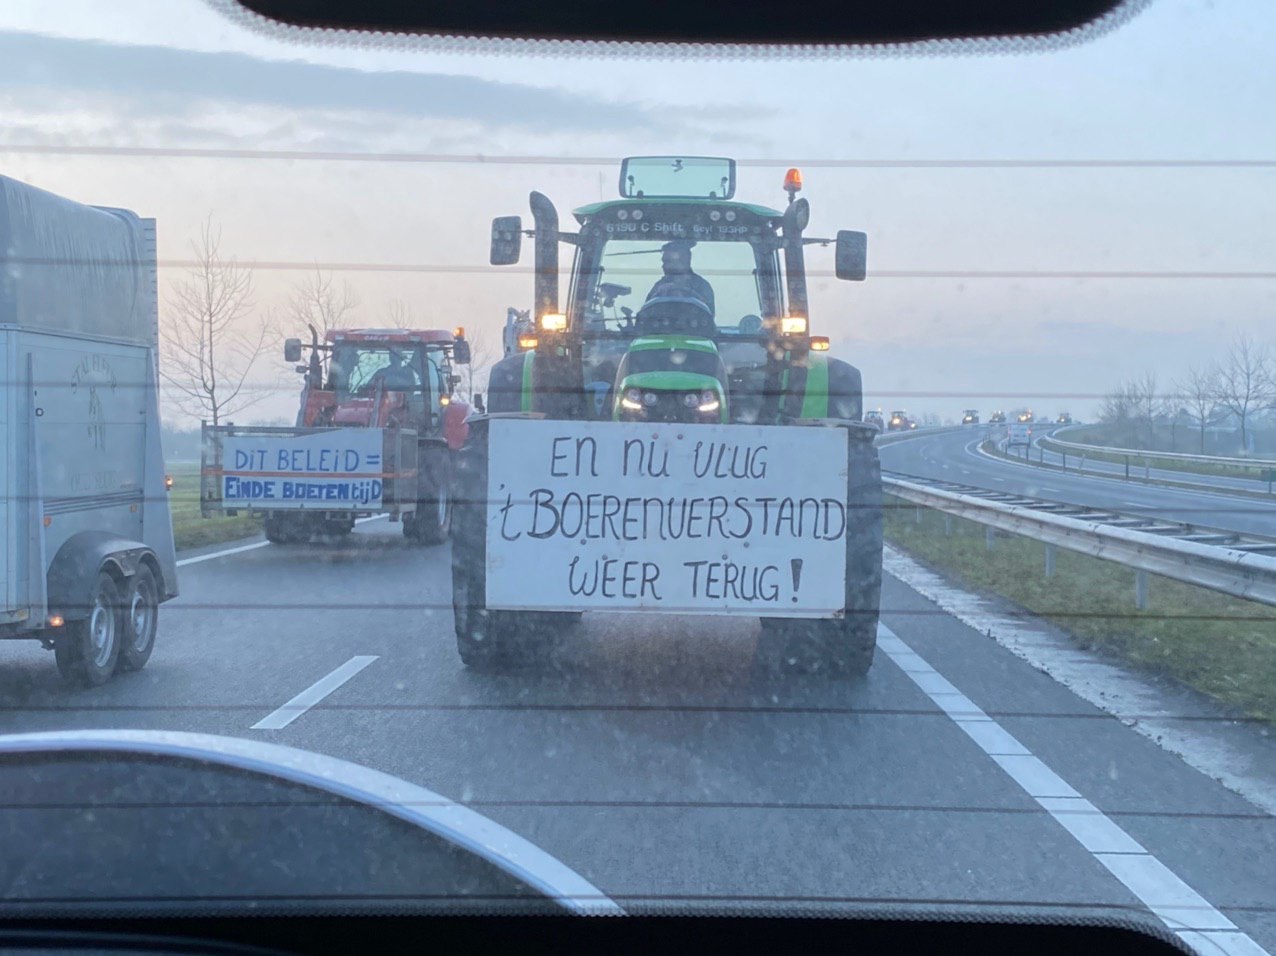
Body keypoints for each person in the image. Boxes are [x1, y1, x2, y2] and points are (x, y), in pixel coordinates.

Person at [645, 239, 715, 316]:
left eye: (668, 261)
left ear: (684, 260)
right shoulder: (659, 286)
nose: (663, 266)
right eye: (664, 262)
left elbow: (708, 317)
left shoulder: (702, 286)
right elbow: (646, 314)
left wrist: (688, 293)